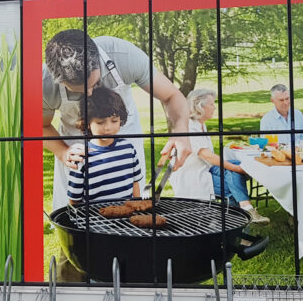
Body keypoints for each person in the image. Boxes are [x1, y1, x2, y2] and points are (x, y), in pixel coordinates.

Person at [43, 30, 192, 212]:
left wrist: (181, 131)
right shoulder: (45, 83)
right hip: (77, 151)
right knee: (77, 220)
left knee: (130, 215)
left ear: (96, 59)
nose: (89, 93)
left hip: (125, 140)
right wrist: (62, 151)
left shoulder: (124, 56)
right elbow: (40, 125)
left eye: (92, 83)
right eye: (79, 90)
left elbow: (172, 95)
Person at [170, 89, 269, 224]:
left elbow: (210, 159)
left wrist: (235, 167)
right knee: (233, 186)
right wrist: (236, 169)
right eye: (212, 104)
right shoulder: (189, 126)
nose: (214, 107)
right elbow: (207, 155)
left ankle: (246, 210)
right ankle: (242, 222)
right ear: (200, 106)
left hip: (205, 168)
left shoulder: (201, 125)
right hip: (192, 175)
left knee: (234, 167)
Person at [66, 87, 142, 204]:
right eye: (100, 122)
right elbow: (74, 200)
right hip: (95, 221)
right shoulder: (81, 157)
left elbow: (135, 182)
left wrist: (137, 207)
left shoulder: (128, 149)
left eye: (114, 121)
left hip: (126, 218)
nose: (108, 128)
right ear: (87, 123)